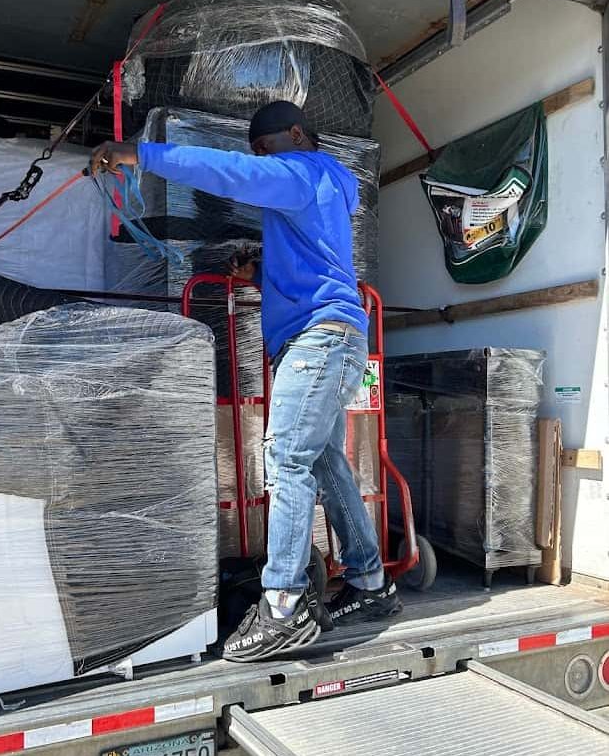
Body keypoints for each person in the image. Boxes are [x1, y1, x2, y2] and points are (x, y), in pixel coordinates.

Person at [91, 101, 401, 663]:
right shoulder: (328, 188)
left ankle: (283, 606)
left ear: (298, 135)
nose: (260, 159)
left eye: (265, 148)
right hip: (334, 336)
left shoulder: (302, 171)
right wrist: (260, 270)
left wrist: (139, 153)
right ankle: (371, 583)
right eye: (257, 151)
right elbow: (313, 261)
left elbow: (228, 172)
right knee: (325, 462)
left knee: (285, 461)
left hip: (318, 339)